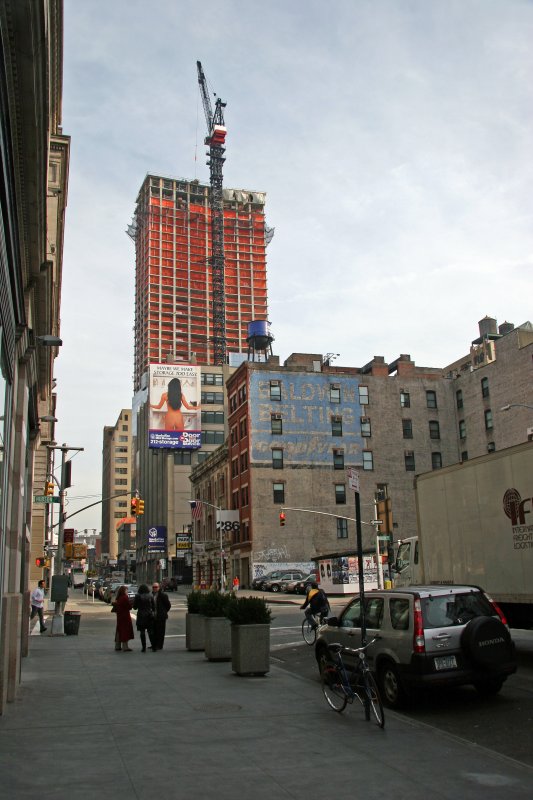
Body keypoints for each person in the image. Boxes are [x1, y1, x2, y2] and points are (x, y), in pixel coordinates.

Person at [132, 584, 156, 652]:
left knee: (142, 632)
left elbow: (135, 607)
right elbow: (153, 607)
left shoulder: (138, 596)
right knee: (150, 631)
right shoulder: (150, 595)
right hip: (149, 615)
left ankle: (144, 647)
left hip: (141, 616)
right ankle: (154, 646)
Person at [112, 585, 134, 651]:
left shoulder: (119, 597)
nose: (127, 591)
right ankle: (125, 646)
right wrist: (131, 603)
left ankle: (117, 646)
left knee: (119, 630)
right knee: (125, 631)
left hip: (119, 616)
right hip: (125, 616)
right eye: (126, 590)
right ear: (124, 591)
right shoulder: (125, 597)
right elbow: (129, 606)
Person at [151, 581, 171, 650]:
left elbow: (168, 605)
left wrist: (164, 612)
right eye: (153, 587)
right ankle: (154, 644)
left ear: (159, 588)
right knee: (154, 631)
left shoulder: (163, 595)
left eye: (156, 587)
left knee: (161, 631)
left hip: (161, 616)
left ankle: (159, 645)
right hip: (154, 616)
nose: (154, 588)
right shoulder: (152, 595)